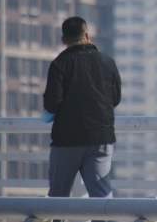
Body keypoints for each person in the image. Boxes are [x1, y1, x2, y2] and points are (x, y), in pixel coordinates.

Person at [43, 17, 122, 201]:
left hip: (66, 140)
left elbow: (52, 104)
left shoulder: (59, 64)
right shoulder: (108, 62)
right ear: (87, 35)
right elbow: (115, 99)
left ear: (64, 40)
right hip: (100, 138)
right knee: (102, 199)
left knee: (57, 198)